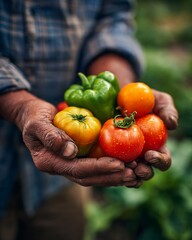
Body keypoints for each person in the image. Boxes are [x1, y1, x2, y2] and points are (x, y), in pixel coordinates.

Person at [0, 1, 178, 240]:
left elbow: (113, 17)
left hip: (58, 176)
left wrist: (121, 91)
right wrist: (20, 107)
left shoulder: (79, 111)